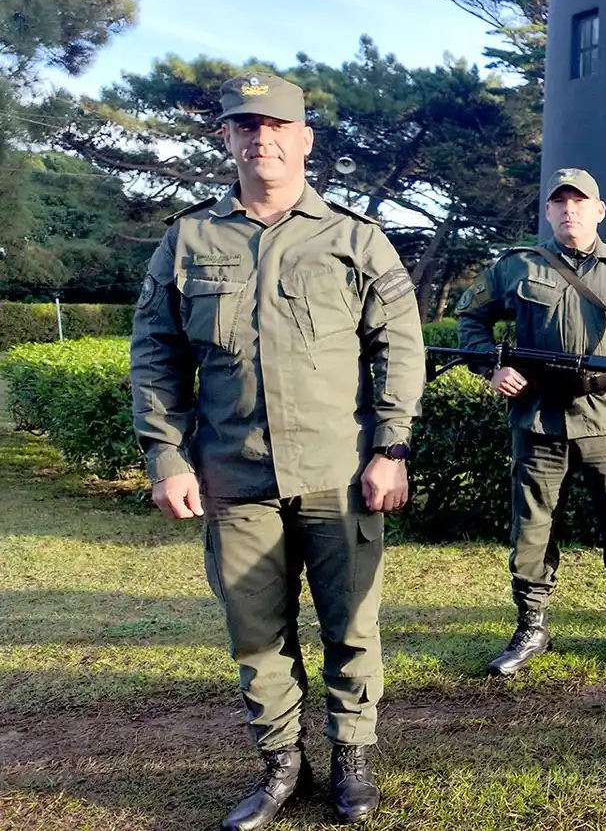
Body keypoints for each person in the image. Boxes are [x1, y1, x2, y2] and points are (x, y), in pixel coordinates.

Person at [130, 72, 425, 829]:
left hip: (338, 472)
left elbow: (400, 346)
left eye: (277, 125)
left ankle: (351, 755)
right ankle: (280, 763)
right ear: (227, 139)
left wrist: (391, 446)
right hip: (234, 474)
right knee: (256, 631)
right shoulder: (189, 238)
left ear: (305, 140)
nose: (262, 137)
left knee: (351, 625)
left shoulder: (355, 239)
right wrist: (166, 457)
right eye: (244, 125)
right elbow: (155, 354)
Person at [455, 168, 606, 679]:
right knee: (532, 528)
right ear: (548, 212)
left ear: (600, 210)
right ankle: (531, 623)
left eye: (580, 201)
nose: (569, 210)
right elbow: (471, 319)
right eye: (559, 203)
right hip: (538, 415)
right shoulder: (516, 267)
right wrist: (492, 364)